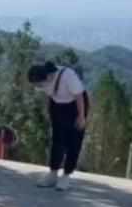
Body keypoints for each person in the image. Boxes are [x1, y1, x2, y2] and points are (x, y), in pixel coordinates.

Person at [28, 62, 88, 191]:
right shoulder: (39, 79)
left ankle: (66, 175)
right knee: (57, 139)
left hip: (76, 105)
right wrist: (48, 111)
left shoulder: (67, 76)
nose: (39, 87)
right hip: (57, 105)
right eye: (37, 85)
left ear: (49, 77)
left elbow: (79, 96)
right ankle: (53, 173)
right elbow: (45, 95)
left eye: (40, 84)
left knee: (73, 141)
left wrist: (81, 117)